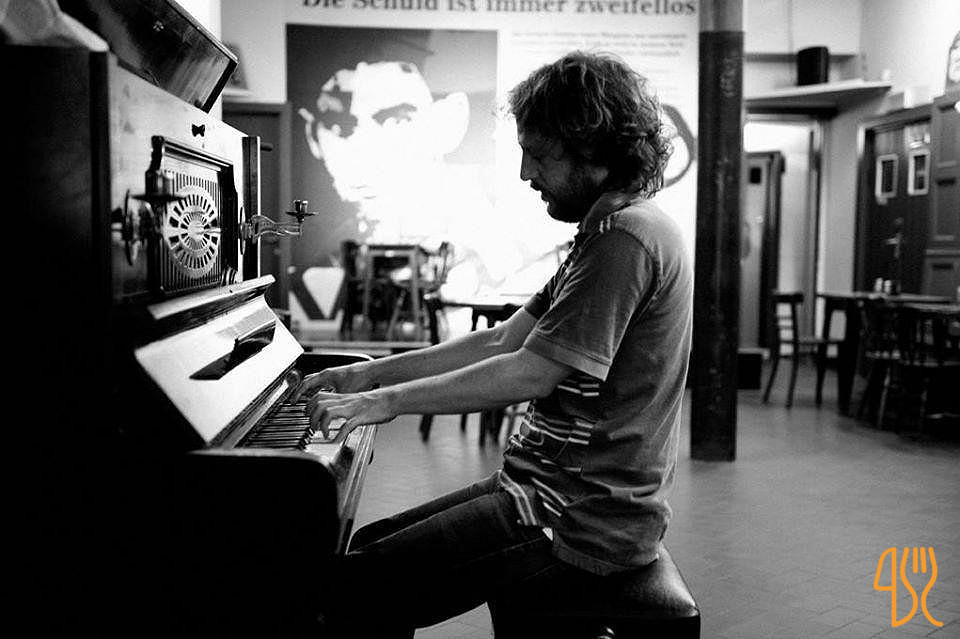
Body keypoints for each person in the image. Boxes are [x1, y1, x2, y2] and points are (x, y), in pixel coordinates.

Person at [294, 51, 692, 637]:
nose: (527, 173)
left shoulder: (626, 237)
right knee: (372, 546)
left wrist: (384, 403)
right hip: (543, 488)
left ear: (593, 148)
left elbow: (530, 372)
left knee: (355, 592)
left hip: (578, 516)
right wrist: (370, 374)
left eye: (540, 154)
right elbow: (503, 339)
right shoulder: (606, 231)